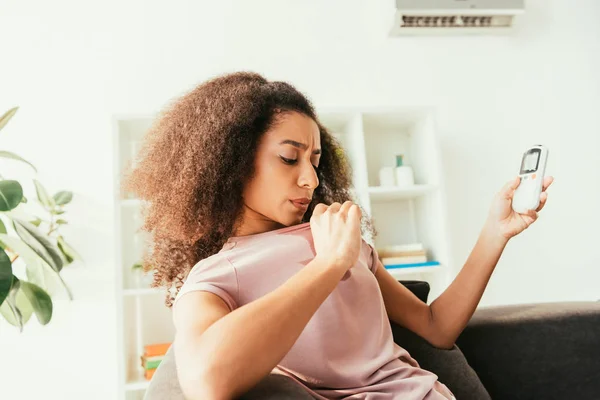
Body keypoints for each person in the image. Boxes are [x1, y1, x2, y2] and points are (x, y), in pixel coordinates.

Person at [122, 71, 554, 400]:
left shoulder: (336, 237)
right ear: (229, 161)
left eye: (314, 159)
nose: (309, 178)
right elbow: (206, 381)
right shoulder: (216, 276)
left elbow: (436, 327)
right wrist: (329, 264)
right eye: (289, 158)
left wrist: (495, 233)